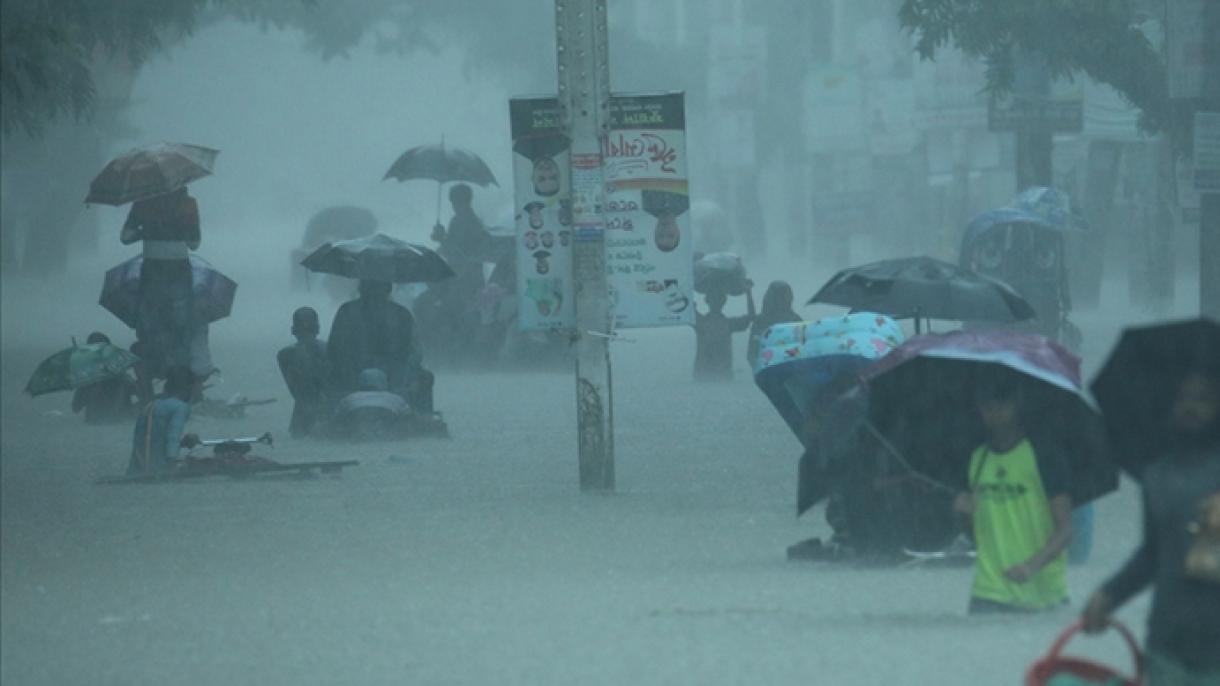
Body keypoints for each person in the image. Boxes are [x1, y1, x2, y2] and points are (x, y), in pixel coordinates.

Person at [1081, 371, 1220, 684]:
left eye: (1203, 400)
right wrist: (1109, 595)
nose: (1191, 407)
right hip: (1167, 642)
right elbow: (1152, 554)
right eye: (1183, 399)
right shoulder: (1157, 475)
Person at [954, 373, 1073, 614]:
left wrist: (1031, 566)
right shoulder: (977, 459)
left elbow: (1066, 531)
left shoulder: (1044, 456)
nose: (994, 412)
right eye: (987, 405)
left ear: (1017, 404)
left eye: (1001, 404)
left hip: (1042, 596)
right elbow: (977, 534)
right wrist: (962, 513)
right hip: (988, 593)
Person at [119, 186, 201, 380]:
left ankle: (153, 370)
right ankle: (180, 376)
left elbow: (125, 237)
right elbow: (194, 243)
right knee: (181, 324)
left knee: (151, 323)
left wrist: (145, 231)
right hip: (179, 270)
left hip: (152, 270)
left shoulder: (142, 204)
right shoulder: (188, 204)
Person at [328, 279, 434, 414]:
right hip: (391, 378)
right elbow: (415, 352)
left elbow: (334, 349)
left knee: (425, 376)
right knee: (425, 376)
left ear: (361, 289)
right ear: (389, 289)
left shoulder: (347, 311)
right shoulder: (402, 314)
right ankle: (424, 419)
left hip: (357, 377)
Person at [127, 366, 198, 474]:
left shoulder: (150, 405)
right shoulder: (180, 407)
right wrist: (172, 465)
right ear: (189, 388)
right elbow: (172, 437)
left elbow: (150, 440)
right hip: (159, 470)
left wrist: (182, 443)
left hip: (136, 469)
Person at [277, 307, 329, 438]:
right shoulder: (330, 350)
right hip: (326, 413)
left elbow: (294, 389)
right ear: (318, 328)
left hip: (300, 416)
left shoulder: (284, 355)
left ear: (293, 330)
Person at [71, 332, 139, 424]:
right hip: (119, 421)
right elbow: (138, 393)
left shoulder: (87, 379)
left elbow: (76, 408)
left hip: (94, 421)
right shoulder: (121, 376)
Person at [693, 282, 755, 382]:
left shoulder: (700, 321)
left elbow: (750, 317)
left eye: (717, 299)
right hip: (717, 373)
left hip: (709, 373)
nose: (716, 302)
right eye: (714, 299)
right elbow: (751, 317)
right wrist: (748, 293)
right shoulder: (727, 324)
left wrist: (749, 293)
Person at [332, 368, 410, 440]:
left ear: (360, 382)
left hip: (356, 437)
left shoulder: (349, 398)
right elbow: (409, 419)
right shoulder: (396, 398)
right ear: (384, 381)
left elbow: (336, 420)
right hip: (388, 437)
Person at [746, 281, 801, 367]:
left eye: (784, 296)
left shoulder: (796, 321)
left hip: (788, 370)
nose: (781, 300)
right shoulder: (760, 321)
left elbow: (803, 349)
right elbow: (752, 354)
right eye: (780, 296)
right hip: (768, 370)